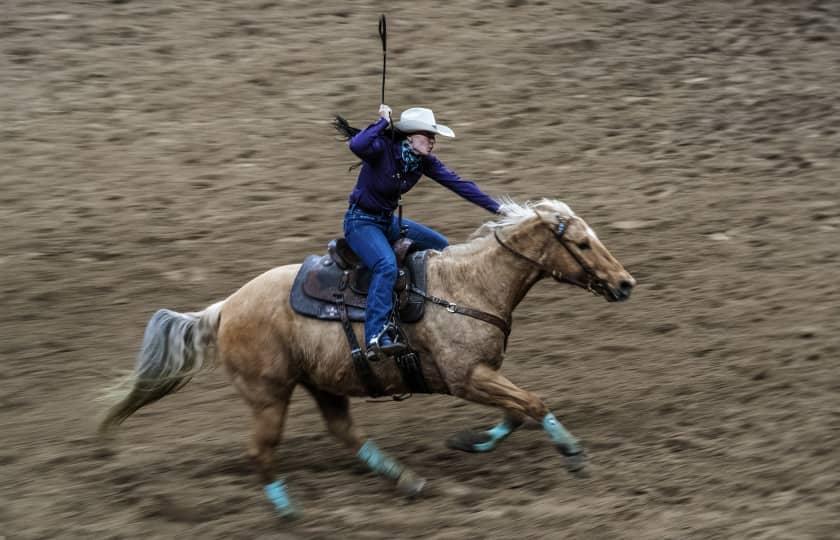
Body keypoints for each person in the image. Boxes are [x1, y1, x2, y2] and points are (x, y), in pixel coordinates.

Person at [343, 105, 501, 356]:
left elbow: (460, 185)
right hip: (360, 222)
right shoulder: (382, 147)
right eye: (428, 135)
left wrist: (499, 209)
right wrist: (381, 122)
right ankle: (375, 336)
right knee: (386, 266)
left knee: (442, 246)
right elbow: (357, 145)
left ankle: (423, 308)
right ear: (410, 136)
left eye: (433, 136)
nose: (433, 141)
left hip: (387, 222)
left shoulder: (423, 163)